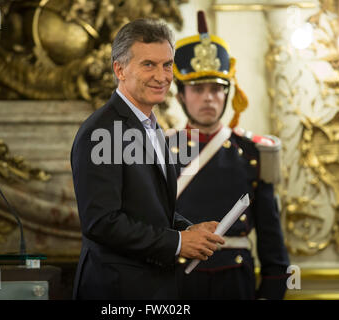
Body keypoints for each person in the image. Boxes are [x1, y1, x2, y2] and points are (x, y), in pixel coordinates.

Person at [70, 18, 225, 300]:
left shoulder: (152, 126)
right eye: (148, 64)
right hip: (116, 291)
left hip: (155, 287)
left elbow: (147, 208)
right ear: (120, 69)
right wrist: (178, 242)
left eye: (167, 64)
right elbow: (102, 222)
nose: (162, 75)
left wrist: (188, 229)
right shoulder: (102, 131)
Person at [168, 11, 290, 300]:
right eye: (198, 89)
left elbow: (272, 240)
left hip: (236, 282)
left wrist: (271, 293)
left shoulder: (252, 152)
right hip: (175, 282)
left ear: (227, 95)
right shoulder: (157, 150)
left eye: (217, 89)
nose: (208, 97)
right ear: (180, 96)